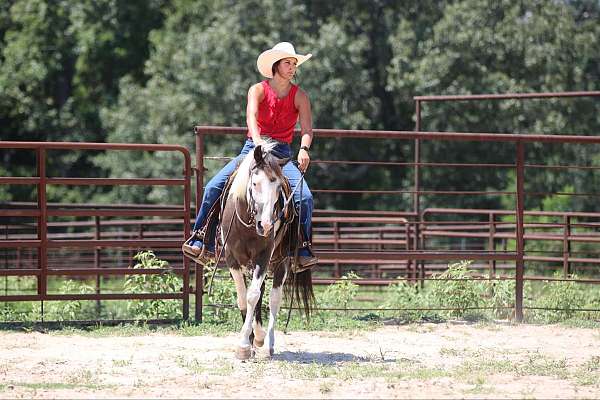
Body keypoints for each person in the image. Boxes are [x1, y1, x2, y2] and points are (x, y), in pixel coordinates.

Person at [182, 41, 318, 269]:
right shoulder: (258, 90)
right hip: (252, 150)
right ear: (276, 65)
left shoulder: (300, 96)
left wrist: (304, 149)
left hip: (282, 154)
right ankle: (201, 239)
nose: (293, 67)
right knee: (214, 186)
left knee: (305, 198)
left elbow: (307, 130)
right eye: (288, 63)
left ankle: (301, 249)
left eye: (295, 63)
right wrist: (257, 143)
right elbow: (251, 118)